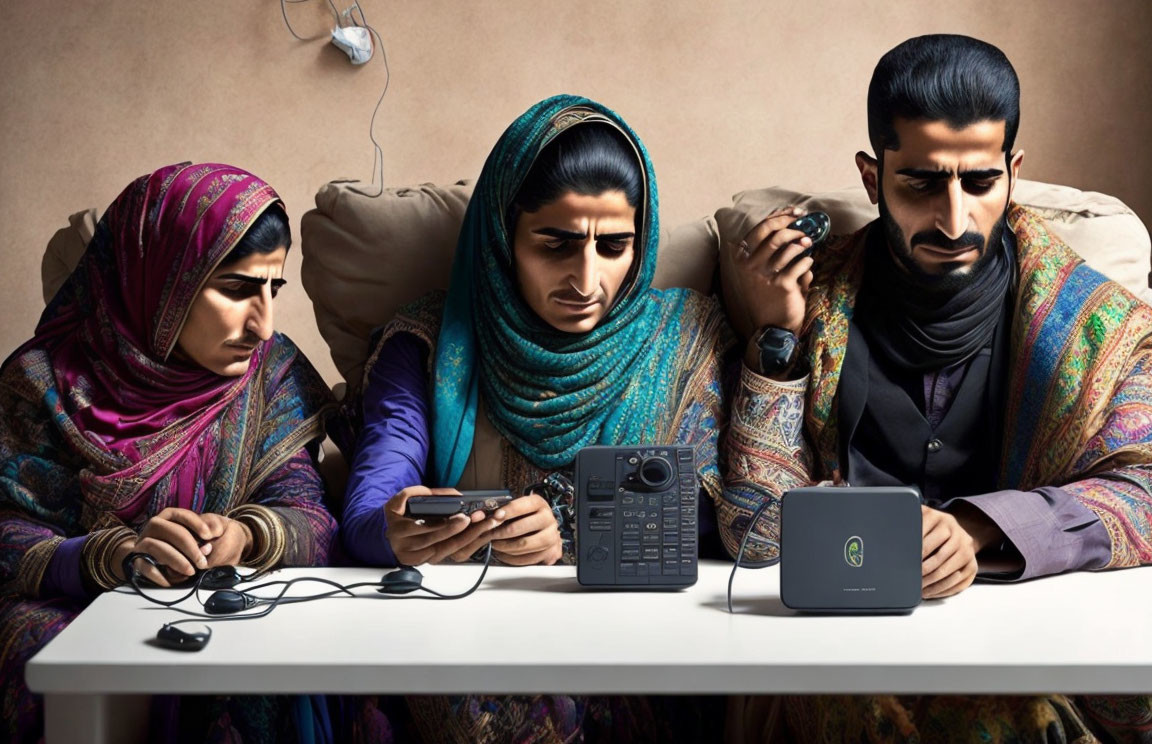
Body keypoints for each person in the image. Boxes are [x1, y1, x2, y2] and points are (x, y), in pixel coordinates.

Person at [724, 34, 1152, 742]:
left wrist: (981, 529)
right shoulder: (811, 300)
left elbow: (1146, 488)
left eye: (979, 183)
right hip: (843, 648)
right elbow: (754, 534)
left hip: (1024, 645)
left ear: (1013, 172)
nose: (953, 221)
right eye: (921, 184)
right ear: (872, 178)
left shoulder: (1098, 322)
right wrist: (775, 337)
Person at [339, 94, 779, 743]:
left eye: (614, 245)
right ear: (503, 236)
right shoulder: (431, 344)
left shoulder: (686, 338)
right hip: (468, 644)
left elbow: (726, 520)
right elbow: (367, 510)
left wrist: (574, 532)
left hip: (641, 651)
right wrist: (397, 531)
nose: (586, 278)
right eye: (556, 244)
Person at [0, 162, 338, 744]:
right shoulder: (42, 383)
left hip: (224, 605)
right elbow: (8, 532)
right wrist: (112, 555)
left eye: (272, 288)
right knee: (62, 668)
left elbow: (310, 515)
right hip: (70, 603)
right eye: (236, 288)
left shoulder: (270, 373)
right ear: (158, 278)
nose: (263, 324)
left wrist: (248, 537)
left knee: (260, 669)